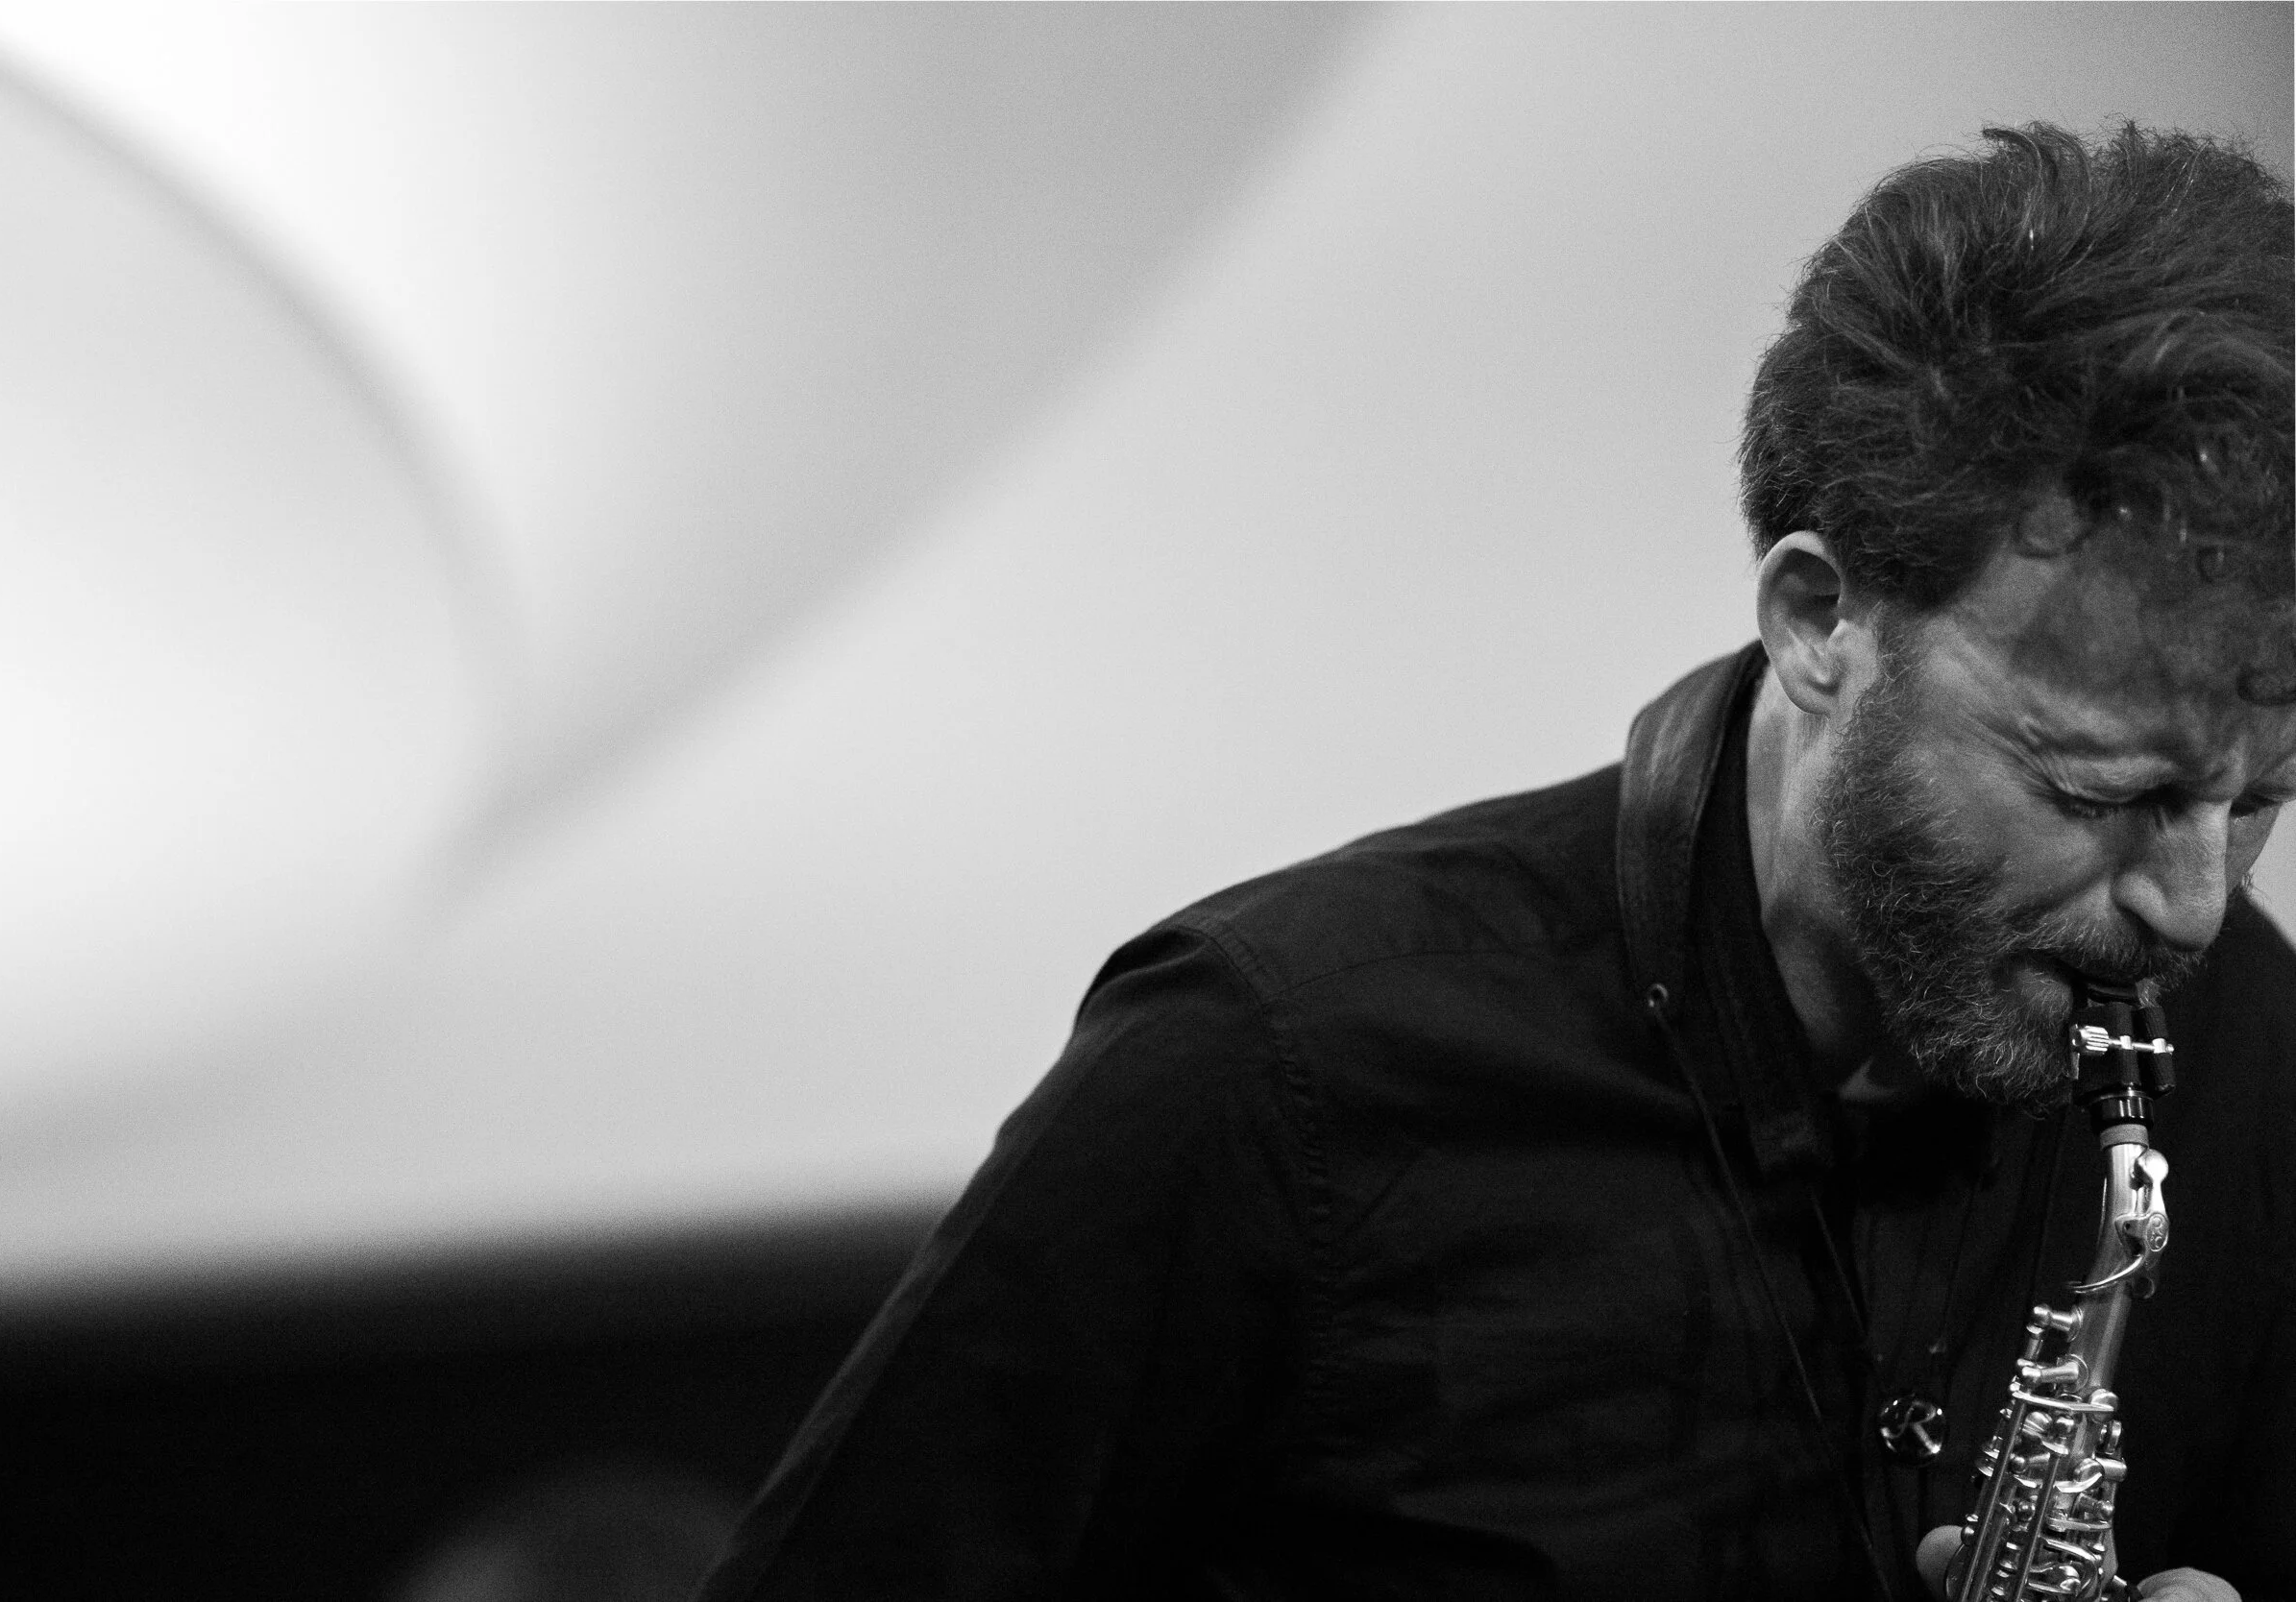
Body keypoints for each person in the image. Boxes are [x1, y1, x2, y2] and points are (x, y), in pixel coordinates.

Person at [697, 124, 2294, 1602]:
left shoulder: (2249, 1050)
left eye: (2259, 801)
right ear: (1822, 621)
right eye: (2099, 788)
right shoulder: (1261, 1079)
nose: (2191, 904)